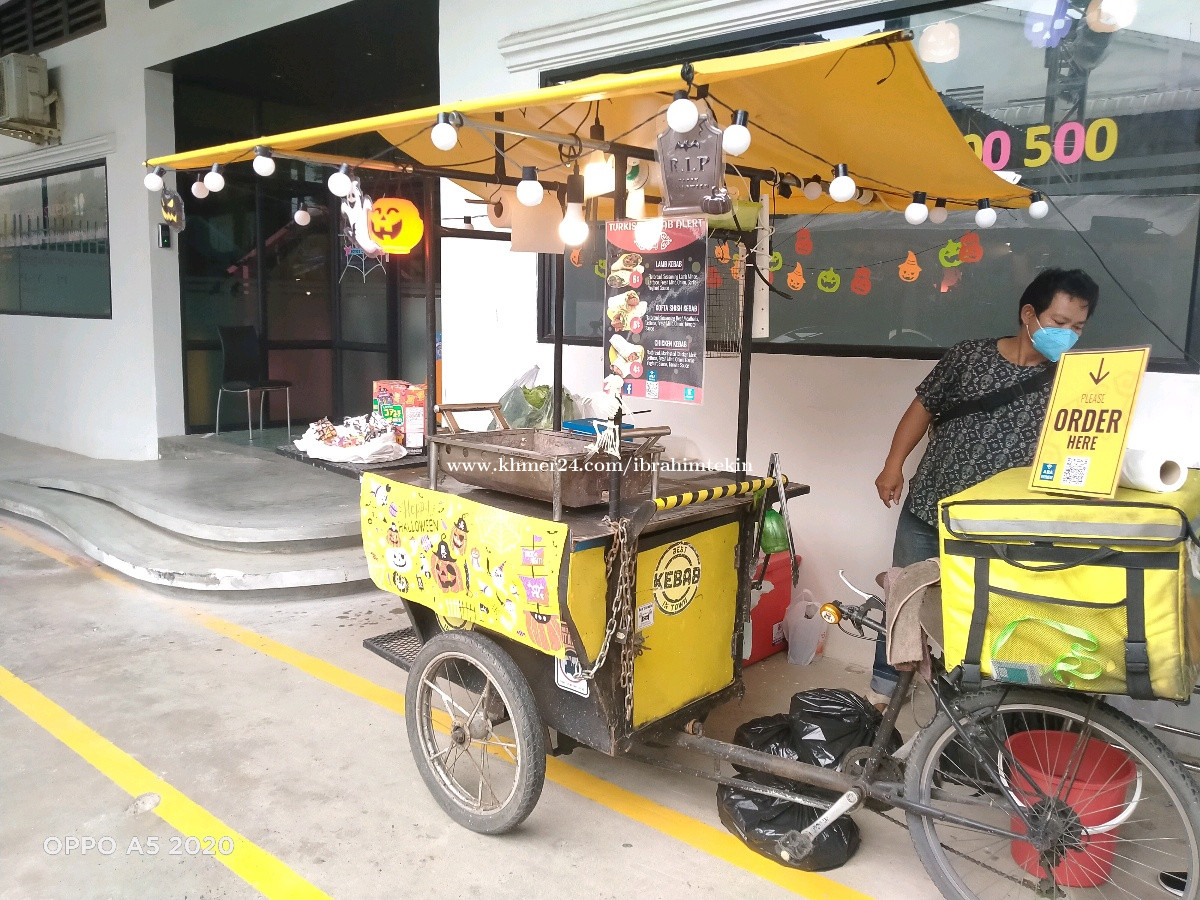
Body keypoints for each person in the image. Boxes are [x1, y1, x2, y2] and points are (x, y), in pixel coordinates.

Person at [868, 268, 1100, 707]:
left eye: (1077, 328)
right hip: (928, 510)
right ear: (1029, 314)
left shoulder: (1074, 382)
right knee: (904, 601)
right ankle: (883, 697)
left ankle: (958, 708)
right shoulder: (969, 357)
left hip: (998, 528)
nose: (1067, 335)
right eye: (1058, 323)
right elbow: (921, 409)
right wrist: (892, 465)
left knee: (978, 618)